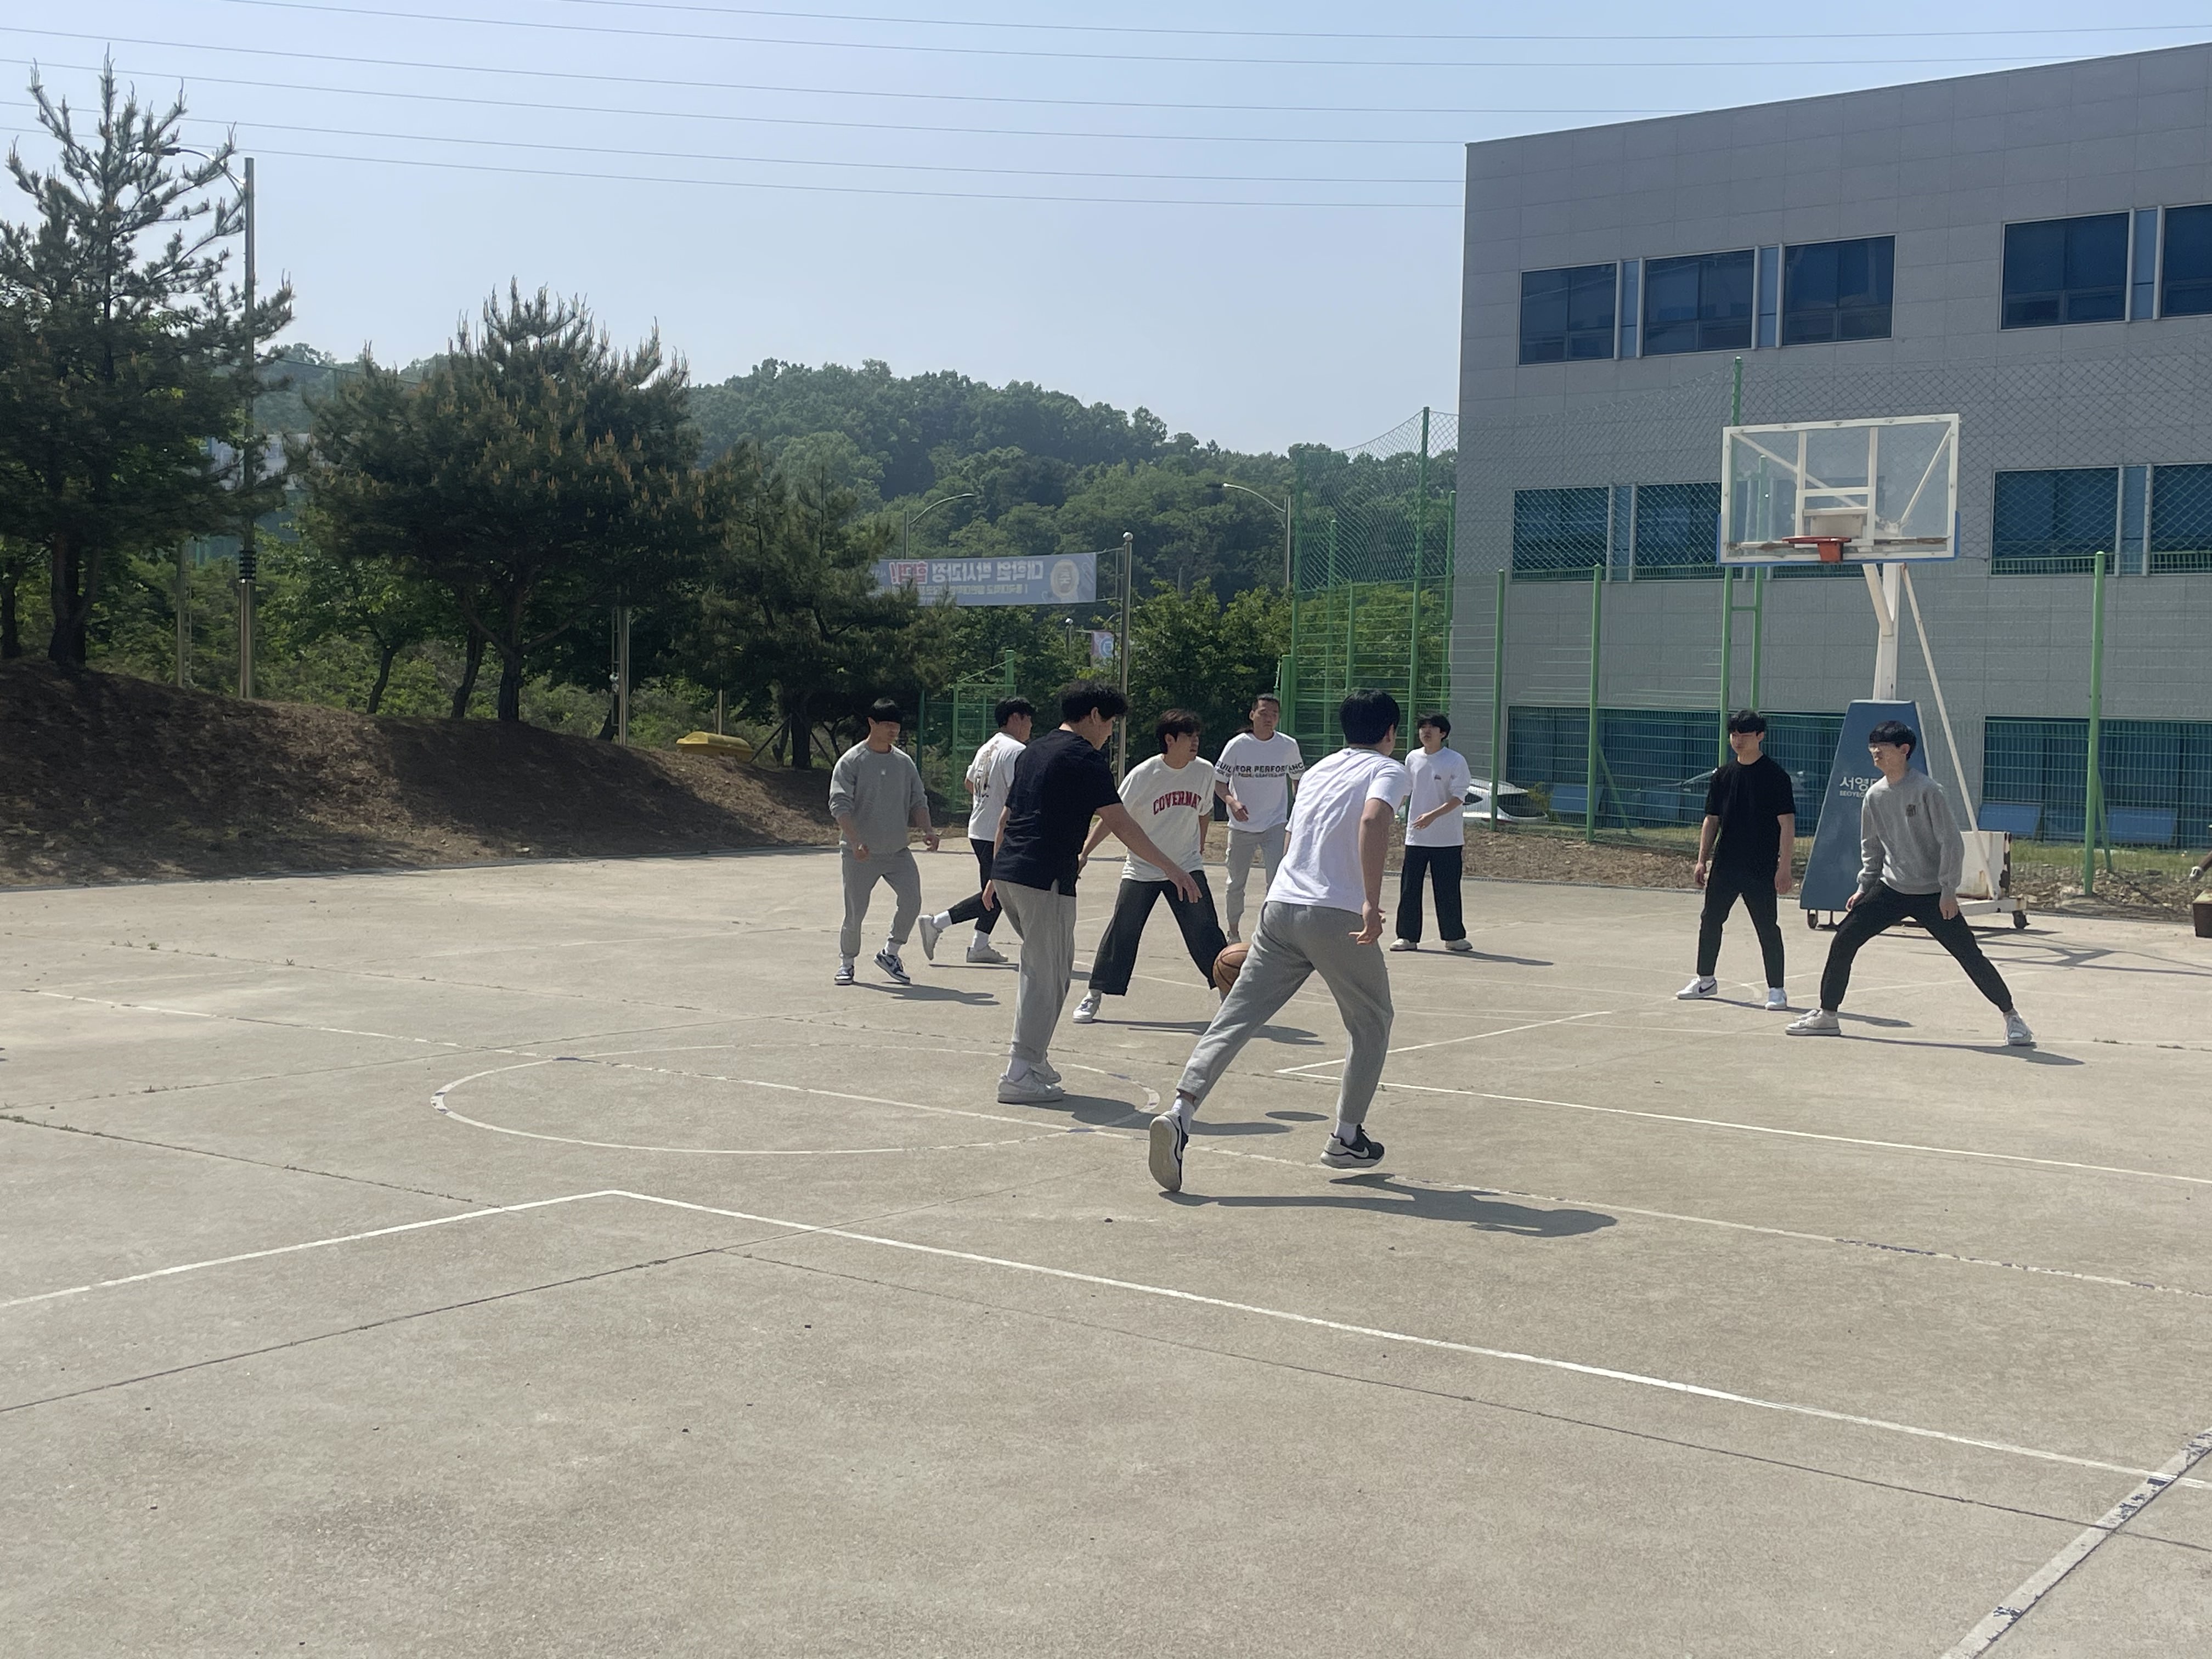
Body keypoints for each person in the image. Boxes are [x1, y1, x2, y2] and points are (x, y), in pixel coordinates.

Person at [1148, 689, 1410, 1193]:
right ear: (1390, 733)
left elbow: (1292, 835)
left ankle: (1181, 1110)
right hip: (1333, 913)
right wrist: (1370, 901)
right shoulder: (1387, 769)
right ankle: (1346, 1136)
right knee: (1372, 1021)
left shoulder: (1320, 769)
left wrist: (1286, 893)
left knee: (1235, 1016)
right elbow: (1374, 819)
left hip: (1281, 905)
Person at [986, 681, 1199, 1105]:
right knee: (1044, 977)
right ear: (1095, 715)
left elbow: (1007, 817)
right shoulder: (1084, 757)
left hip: (1013, 873)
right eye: (1111, 721)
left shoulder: (1034, 751)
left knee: (1055, 971)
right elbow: (1121, 823)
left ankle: (1034, 1059)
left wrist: (996, 872)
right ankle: (1018, 1072)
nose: (1110, 731)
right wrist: (1171, 867)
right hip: (1043, 876)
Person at [1787, 720, 2034, 1046]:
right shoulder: (1875, 795)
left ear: (1904, 750)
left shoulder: (1928, 791)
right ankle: (1828, 1015)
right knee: (1844, 940)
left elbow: (1951, 843)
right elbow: (1872, 846)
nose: (1875, 752)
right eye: (1872, 746)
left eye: (1882, 747)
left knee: (1969, 954)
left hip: (1933, 894)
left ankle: (2013, 1018)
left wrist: (1948, 890)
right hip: (1891, 889)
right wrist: (1864, 887)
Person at [1072, 709, 1228, 1024]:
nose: (1196, 742)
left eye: (1197, 736)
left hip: (1186, 865)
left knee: (1205, 929)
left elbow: (1203, 812)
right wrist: (1085, 852)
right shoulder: (1144, 775)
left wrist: (1199, 845)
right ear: (1169, 740)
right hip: (1143, 867)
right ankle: (1095, 994)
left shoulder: (1204, 771)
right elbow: (1112, 818)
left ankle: (1229, 996)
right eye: (1189, 736)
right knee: (1123, 930)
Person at [1678, 710, 1796, 1009]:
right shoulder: (1723, 776)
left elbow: (1787, 823)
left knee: (1767, 927)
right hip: (1726, 863)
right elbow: (1711, 820)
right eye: (1733, 735)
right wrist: (1702, 860)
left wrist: (1784, 867)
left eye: (1744, 734)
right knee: (1710, 920)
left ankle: (1777, 990)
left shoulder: (1775, 776)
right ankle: (1705, 979)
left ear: (1760, 736)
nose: (1738, 740)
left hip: (1760, 865)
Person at [826, 698, 939, 987]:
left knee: (912, 901)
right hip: (860, 853)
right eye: (887, 725)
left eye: (896, 726)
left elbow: (918, 800)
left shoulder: (903, 762)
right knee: (855, 912)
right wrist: (855, 842)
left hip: (898, 851)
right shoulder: (851, 761)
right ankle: (847, 962)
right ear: (871, 723)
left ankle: (890, 953)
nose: (893, 731)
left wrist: (928, 830)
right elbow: (839, 804)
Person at [917, 697, 1033, 966]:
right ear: (1015, 718)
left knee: (995, 890)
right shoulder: (1016, 751)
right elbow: (1020, 794)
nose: (1030, 726)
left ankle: (980, 945)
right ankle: (936, 923)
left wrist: (987, 799)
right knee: (998, 892)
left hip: (980, 828)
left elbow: (969, 783)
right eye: (1028, 719)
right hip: (998, 832)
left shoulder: (988, 747)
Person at [1214, 693, 1305, 943]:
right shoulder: (1237, 745)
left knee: (1277, 881)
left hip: (1275, 824)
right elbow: (1219, 782)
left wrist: (1299, 810)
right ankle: (1233, 932)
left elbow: (1298, 780)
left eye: (1274, 714)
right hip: (1242, 825)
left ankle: (1271, 932)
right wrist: (1232, 802)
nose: (1269, 719)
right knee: (1236, 883)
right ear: (1252, 715)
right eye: (1264, 713)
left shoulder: (1288, 745)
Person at [1392, 712, 1473, 954]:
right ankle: (1407, 936)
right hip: (1416, 837)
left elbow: (1458, 798)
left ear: (1443, 733)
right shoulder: (1412, 758)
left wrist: (1432, 816)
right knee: (1410, 888)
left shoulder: (1455, 760)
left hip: (1448, 839)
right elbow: (1405, 790)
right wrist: (1391, 812)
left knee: (1447, 889)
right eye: (1423, 727)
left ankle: (1454, 937)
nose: (1426, 732)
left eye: (1432, 727)